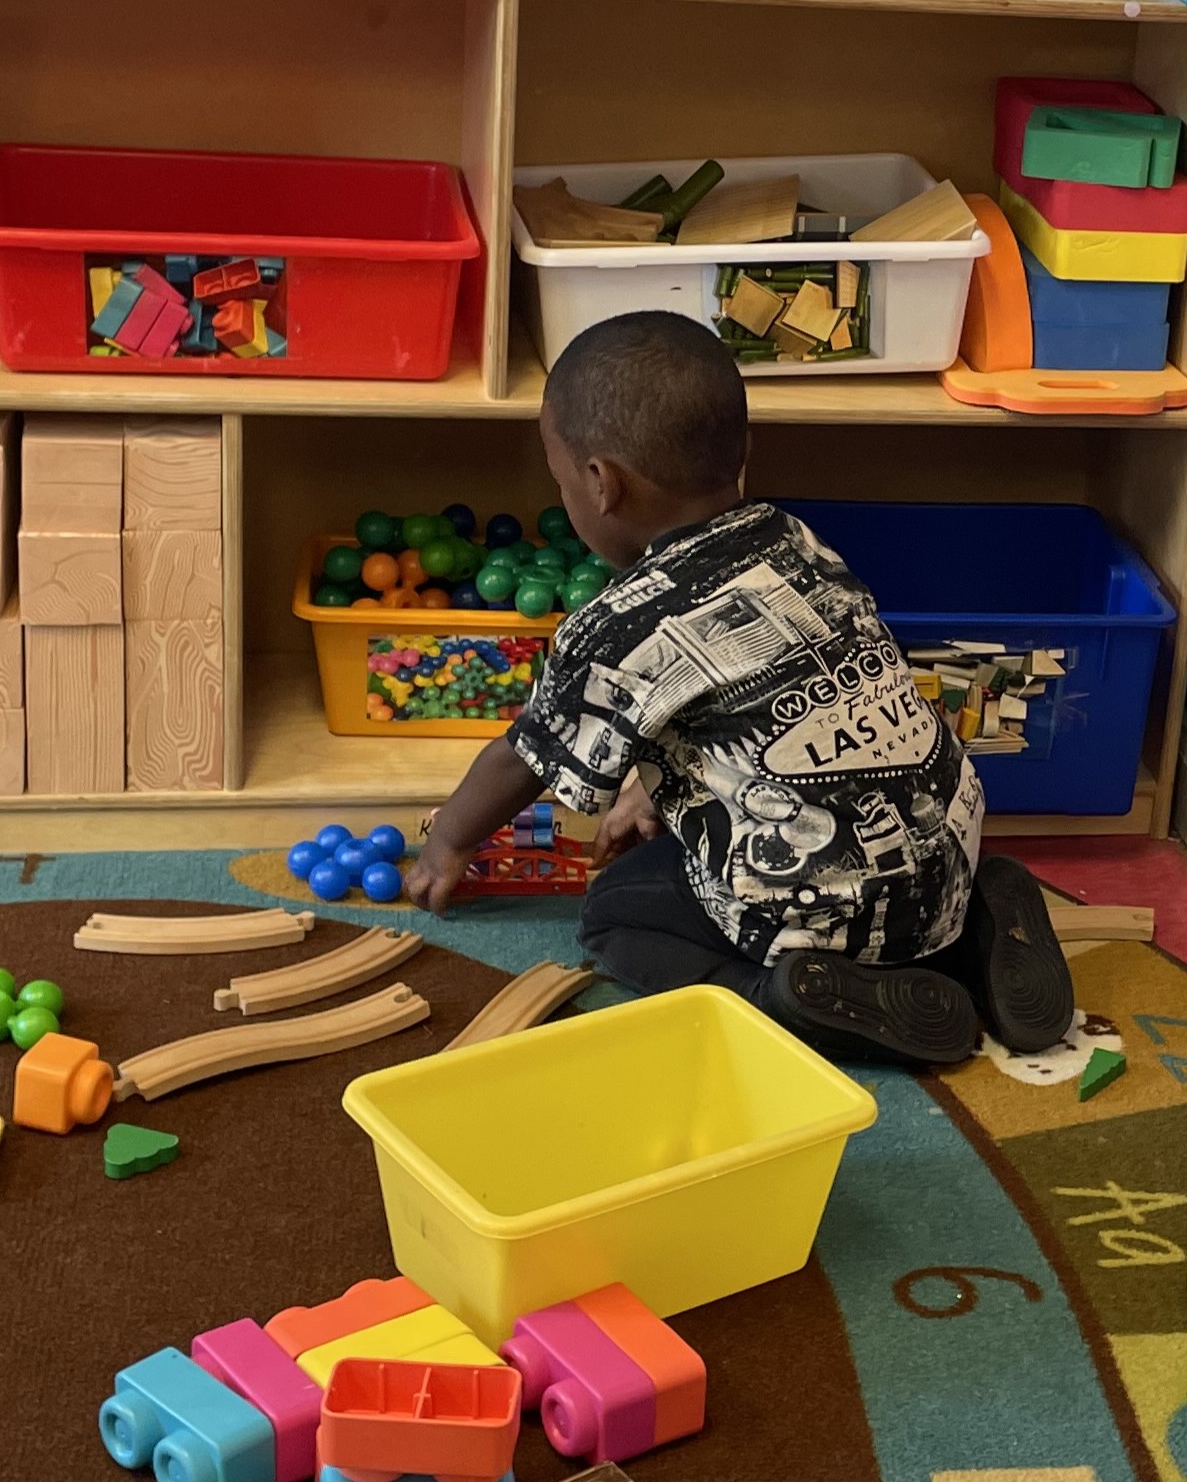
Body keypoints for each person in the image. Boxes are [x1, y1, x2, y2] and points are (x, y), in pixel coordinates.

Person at [405, 312, 1075, 1066]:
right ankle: (979, 928)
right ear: (743, 453)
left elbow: (525, 756)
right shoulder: (797, 541)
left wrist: (450, 842)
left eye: (561, 481)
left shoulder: (615, 624)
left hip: (808, 908)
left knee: (617, 915)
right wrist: (648, 790)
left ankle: (781, 996)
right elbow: (747, 714)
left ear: (599, 484)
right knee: (892, 882)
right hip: (946, 846)